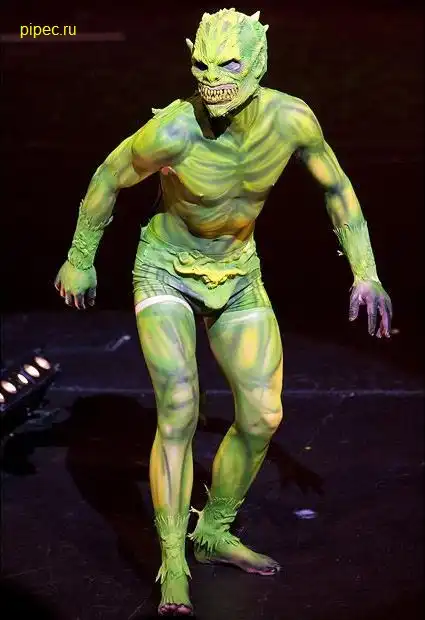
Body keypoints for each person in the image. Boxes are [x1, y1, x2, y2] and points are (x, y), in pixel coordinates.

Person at [54, 8, 392, 616]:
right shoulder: (173, 131)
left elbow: (337, 187)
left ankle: (211, 530)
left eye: (228, 66)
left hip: (238, 274)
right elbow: (107, 178)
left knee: (263, 416)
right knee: (179, 407)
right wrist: (81, 258)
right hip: (165, 270)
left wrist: (364, 271)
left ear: (257, 65)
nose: (212, 79)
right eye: (202, 66)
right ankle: (173, 561)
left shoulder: (292, 120)